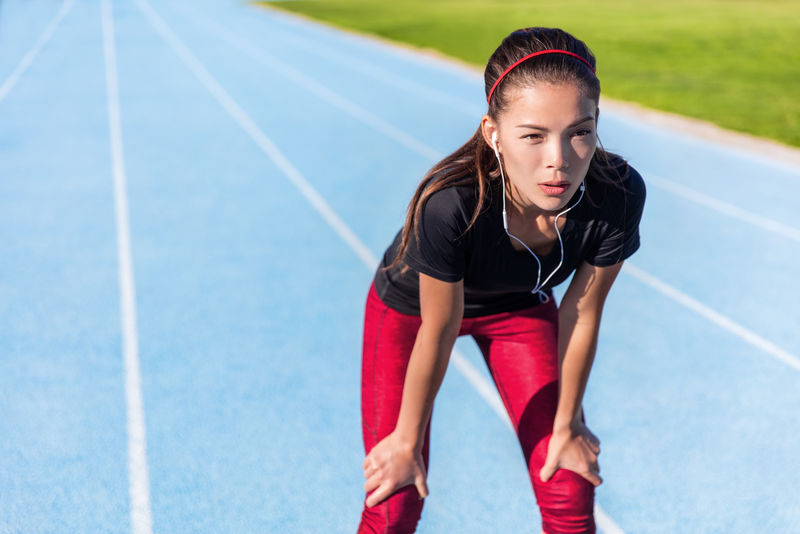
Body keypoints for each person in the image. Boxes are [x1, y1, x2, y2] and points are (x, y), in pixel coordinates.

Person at [358, 26, 646, 534]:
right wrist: (406, 444)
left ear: (597, 123)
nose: (558, 159)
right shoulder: (451, 204)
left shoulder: (617, 194)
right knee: (394, 497)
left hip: (517, 308)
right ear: (493, 132)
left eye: (579, 131)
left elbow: (581, 311)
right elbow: (439, 329)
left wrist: (567, 423)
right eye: (533, 136)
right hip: (416, 312)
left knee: (569, 476)